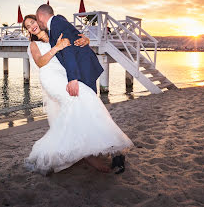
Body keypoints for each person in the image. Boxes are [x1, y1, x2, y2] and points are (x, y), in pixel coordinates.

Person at [23, 10, 133, 175]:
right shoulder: (34, 44)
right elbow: (40, 62)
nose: (31, 27)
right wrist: (58, 47)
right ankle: (90, 153)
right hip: (51, 79)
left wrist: (85, 40)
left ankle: (90, 150)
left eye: (32, 22)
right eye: (27, 26)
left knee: (86, 104)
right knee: (83, 101)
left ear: (39, 21)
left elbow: (73, 41)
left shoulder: (54, 34)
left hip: (64, 76)